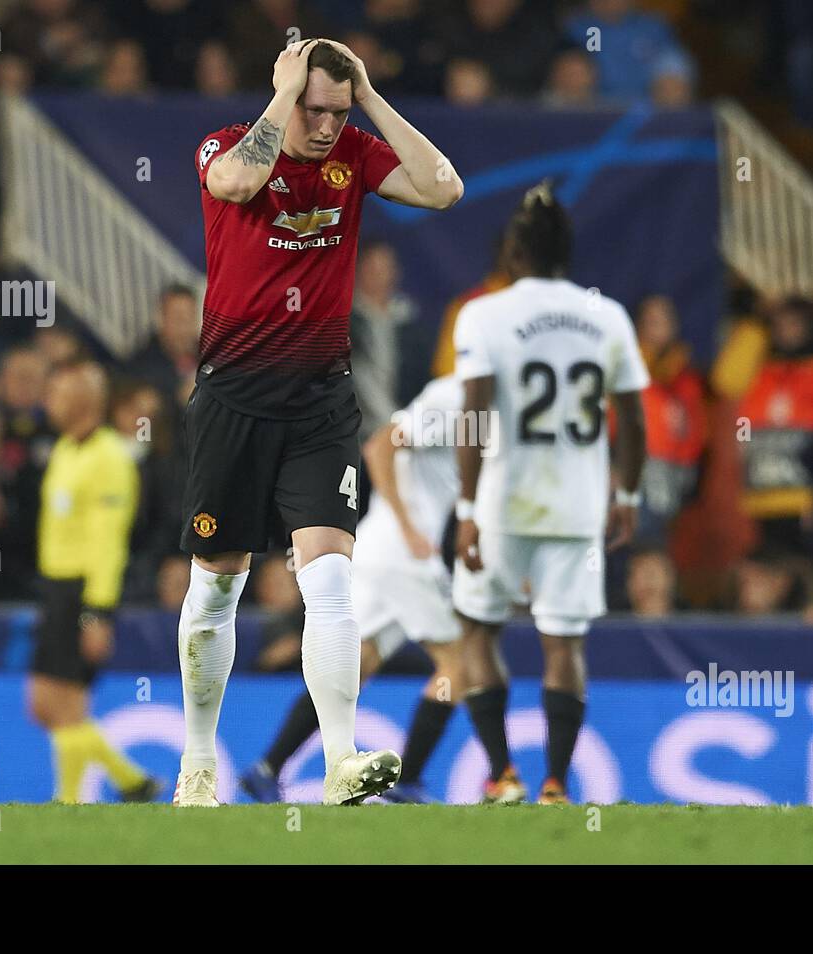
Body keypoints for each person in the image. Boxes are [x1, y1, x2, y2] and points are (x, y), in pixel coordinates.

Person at [177, 38, 463, 807]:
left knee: (329, 578)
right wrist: (282, 97)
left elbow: (444, 189)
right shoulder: (226, 146)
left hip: (320, 401)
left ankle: (340, 761)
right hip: (234, 395)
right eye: (318, 110)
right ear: (286, 96)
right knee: (216, 590)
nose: (330, 126)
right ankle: (198, 762)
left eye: (340, 111)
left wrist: (369, 95)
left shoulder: (358, 152)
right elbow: (236, 181)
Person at [452, 183, 647, 804]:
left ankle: (503, 773)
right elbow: (634, 422)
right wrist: (630, 497)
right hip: (579, 505)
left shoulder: (484, 313)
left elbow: (475, 416)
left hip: (505, 503)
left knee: (477, 630)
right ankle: (557, 784)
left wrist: (465, 510)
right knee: (564, 643)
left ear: (513, 251)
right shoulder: (608, 314)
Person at [240, 375, 466, 804]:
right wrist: (409, 527)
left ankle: (267, 768)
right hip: (403, 554)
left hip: (384, 552)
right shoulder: (452, 396)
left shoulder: (482, 406)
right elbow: (380, 446)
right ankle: (411, 778)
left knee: (354, 665)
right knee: (461, 665)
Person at [31, 362, 158, 804]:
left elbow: (109, 544)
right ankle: (129, 781)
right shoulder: (65, 449)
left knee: (61, 705)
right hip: (55, 587)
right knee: (48, 705)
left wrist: (96, 612)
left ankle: (69, 800)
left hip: (81, 591)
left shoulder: (110, 458)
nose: (49, 402)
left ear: (86, 399)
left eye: (59, 392)